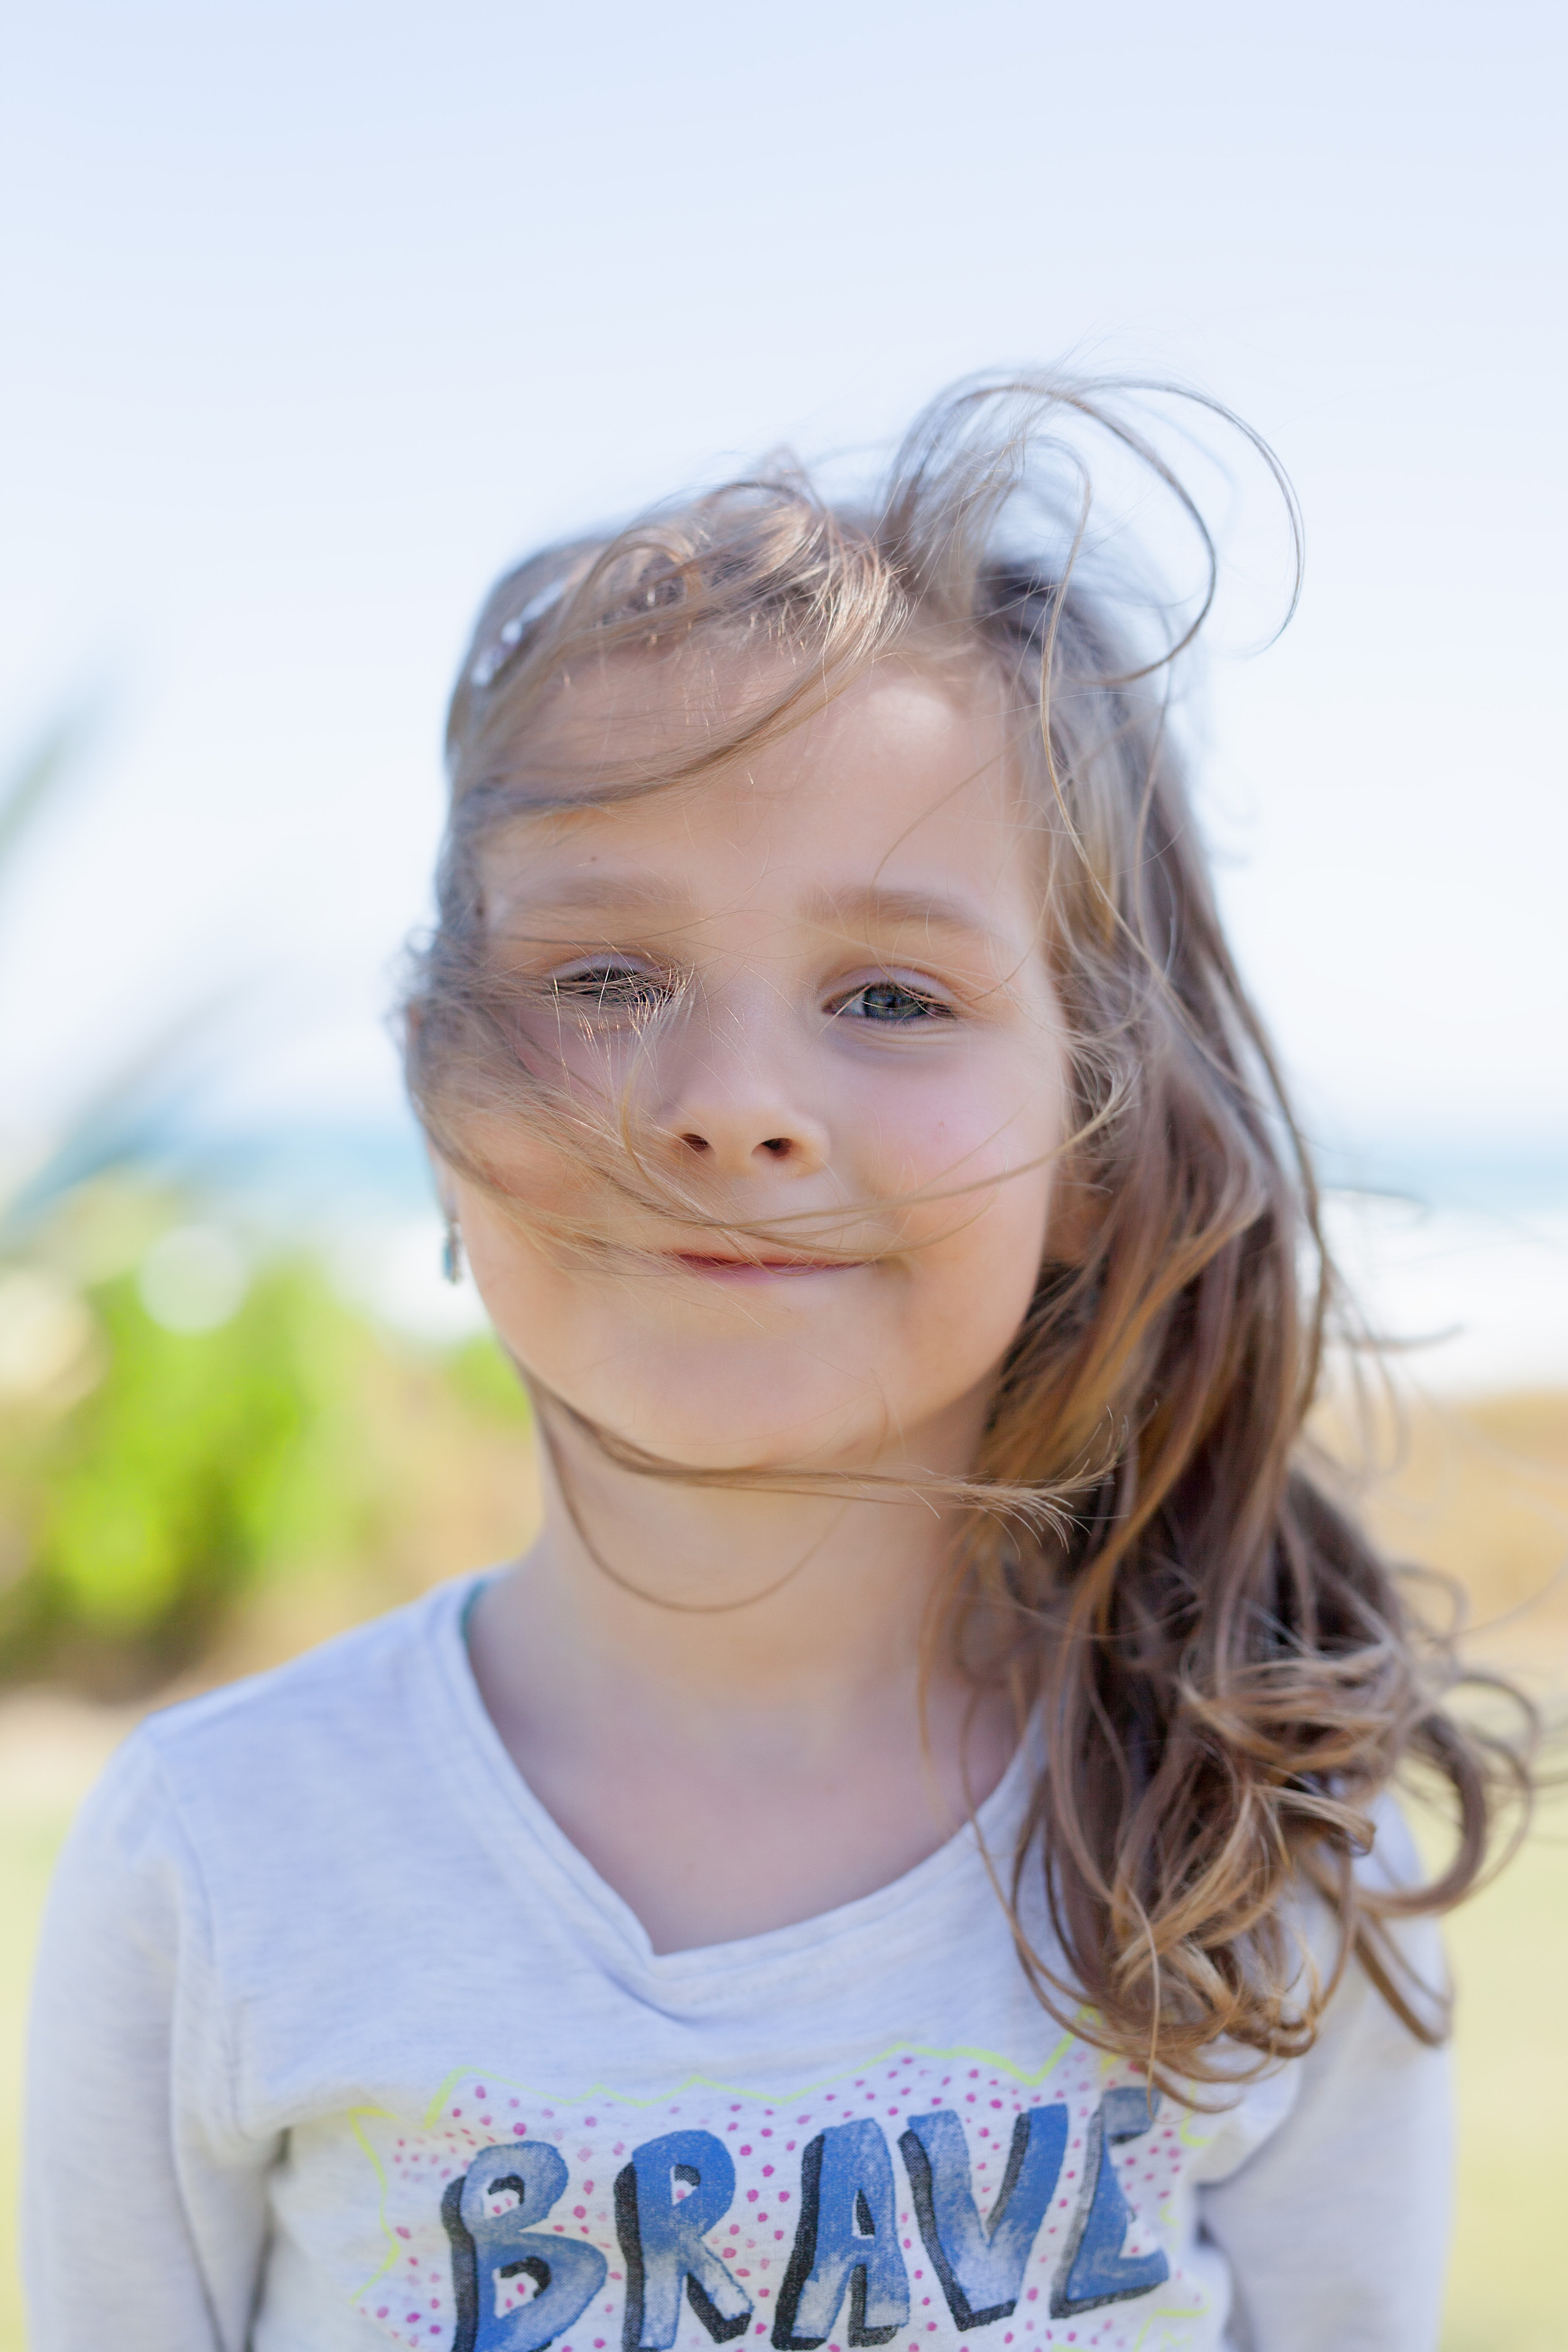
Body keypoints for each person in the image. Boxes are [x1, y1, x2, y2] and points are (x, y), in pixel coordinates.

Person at [22, 377, 1531, 2351]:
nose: (733, 1105)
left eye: (894, 995)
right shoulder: (222, 1858)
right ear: (438, 1095)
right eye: (603, 980)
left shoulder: (1266, 1858)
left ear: (1095, 1157)